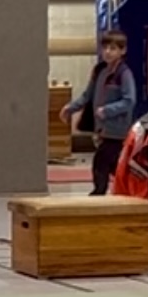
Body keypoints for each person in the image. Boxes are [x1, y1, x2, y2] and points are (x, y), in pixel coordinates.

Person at [61, 30, 136, 196]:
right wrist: (71, 108)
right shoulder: (100, 71)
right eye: (105, 48)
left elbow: (129, 100)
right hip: (102, 129)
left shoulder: (124, 74)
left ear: (123, 51)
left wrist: (107, 110)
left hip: (117, 130)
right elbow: (87, 95)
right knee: (113, 164)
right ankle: (127, 189)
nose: (108, 52)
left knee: (101, 161)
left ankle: (99, 192)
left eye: (113, 48)